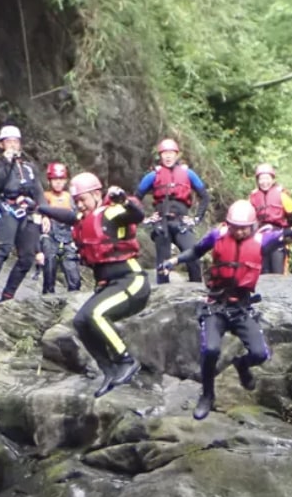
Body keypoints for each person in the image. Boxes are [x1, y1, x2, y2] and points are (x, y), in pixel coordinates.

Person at [159, 200, 288, 420]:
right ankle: (207, 394)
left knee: (259, 354)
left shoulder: (263, 241)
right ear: (228, 224)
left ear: (252, 226)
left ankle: (241, 365)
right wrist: (174, 260)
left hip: (241, 307)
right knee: (210, 350)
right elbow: (196, 251)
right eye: (234, 226)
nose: (238, 231)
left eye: (243, 227)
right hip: (216, 305)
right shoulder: (217, 236)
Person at [40, 173, 150, 397]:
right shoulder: (83, 219)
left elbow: (137, 215)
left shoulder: (112, 212)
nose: (80, 205)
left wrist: (124, 199)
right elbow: (67, 216)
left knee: (95, 314)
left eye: (84, 200)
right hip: (110, 285)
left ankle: (126, 360)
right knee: (81, 321)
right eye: (77, 200)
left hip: (132, 281)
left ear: (97, 195)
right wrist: (40, 207)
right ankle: (109, 370)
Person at [0, 125, 44, 304]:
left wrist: (43, 212)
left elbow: (38, 190)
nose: (13, 145)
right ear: (2, 145)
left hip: (28, 212)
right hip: (8, 209)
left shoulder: (29, 167)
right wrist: (8, 162)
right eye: (9, 142)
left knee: (27, 257)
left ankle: (8, 295)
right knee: (3, 249)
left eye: (16, 141)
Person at [135, 139, 210, 285]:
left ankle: (196, 290)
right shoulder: (153, 176)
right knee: (163, 262)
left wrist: (196, 218)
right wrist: (144, 218)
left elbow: (205, 196)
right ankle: (163, 295)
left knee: (193, 256)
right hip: (161, 224)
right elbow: (135, 198)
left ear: (176, 155)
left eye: (171, 153)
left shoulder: (188, 173)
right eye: (164, 153)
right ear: (160, 156)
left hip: (181, 222)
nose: (168, 157)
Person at [39, 162, 80, 294]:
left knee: (73, 273)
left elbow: (77, 217)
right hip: (51, 236)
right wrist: (43, 217)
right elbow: (37, 212)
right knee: (49, 268)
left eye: (61, 179)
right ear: (50, 181)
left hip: (67, 237)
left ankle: (74, 296)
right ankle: (48, 295)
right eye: (55, 180)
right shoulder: (45, 196)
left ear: (65, 180)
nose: (58, 183)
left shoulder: (70, 197)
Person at [248, 163, 292, 274]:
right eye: (261, 179)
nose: (264, 182)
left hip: (278, 233)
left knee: (278, 269)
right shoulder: (253, 197)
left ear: (273, 179)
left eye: (267, 178)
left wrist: (286, 232)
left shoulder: (282, 195)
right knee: (262, 270)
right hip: (260, 235)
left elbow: (291, 216)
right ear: (257, 181)